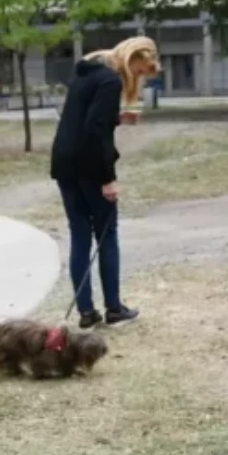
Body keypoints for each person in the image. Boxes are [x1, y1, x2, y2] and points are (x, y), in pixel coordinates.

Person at [50, 36, 160, 329]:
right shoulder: (111, 81)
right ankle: (113, 308)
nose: (139, 77)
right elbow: (95, 131)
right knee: (107, 235)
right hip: (89, 166)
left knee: (79, 235)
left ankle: (86, 312)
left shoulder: (85, 74)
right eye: (140, 70)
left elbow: (83, 118)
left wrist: (117, 117)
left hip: (64, 163)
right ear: (132, 59)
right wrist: (107, 179)